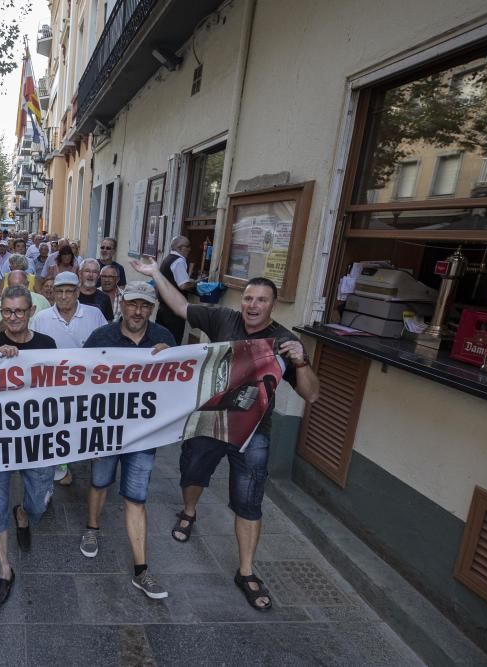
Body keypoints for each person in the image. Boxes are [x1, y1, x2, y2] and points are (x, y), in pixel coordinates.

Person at [133, 256, 320, 611]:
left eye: (261, 300)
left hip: (253, 432)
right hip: (209, 421)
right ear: (242, 301)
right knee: (191, 472)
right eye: (248, 298)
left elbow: (311, 394)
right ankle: (189, 511)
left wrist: (301, 362)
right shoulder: (224, 319)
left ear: (272, 305)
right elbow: (182, 307)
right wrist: (156, 273)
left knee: (249, 501)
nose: (253, 306)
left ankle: (246, 570)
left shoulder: (284, 341)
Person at [79, 281, 177, 599]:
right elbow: (80, 380)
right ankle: (92, 529)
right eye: (133, 304)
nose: (138, 311)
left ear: (152, 309)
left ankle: (141, 570)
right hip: (106, 430)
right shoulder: (101, 337)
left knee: (136, 496)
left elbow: (177, 384)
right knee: (100, 481)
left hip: (144, 433)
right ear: (121, 303)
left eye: (146, 306)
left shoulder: (164, 338)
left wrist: (171, 359)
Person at [0, 286, 57, 605]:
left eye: (19, 312)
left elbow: (59, 388)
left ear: (31, 312)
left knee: (40, 499)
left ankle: (23, 512)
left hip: (35, 439)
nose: (13, 318)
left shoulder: (47, 345)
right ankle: (4, 569)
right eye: (7, 312)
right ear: (0, 312)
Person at [31, 271, 107, 485]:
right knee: (56, 429)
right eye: (59, 291)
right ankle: (59, 464)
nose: (64, 296)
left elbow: (108, 347)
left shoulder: (94, 315)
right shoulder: (40, 318)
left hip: (88, 387)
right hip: (52, 389)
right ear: (53, 293)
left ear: (77, 292)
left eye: (69, 291)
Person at [155, 236, 195, 343]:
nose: (189, 249)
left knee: (159, 341)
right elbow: (183, 285)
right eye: (188, 246)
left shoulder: (167, 259)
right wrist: (196, 283)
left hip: (163, 307)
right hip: (174, 310)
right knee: (173, 342)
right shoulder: (179, 261)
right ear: (180, 248)